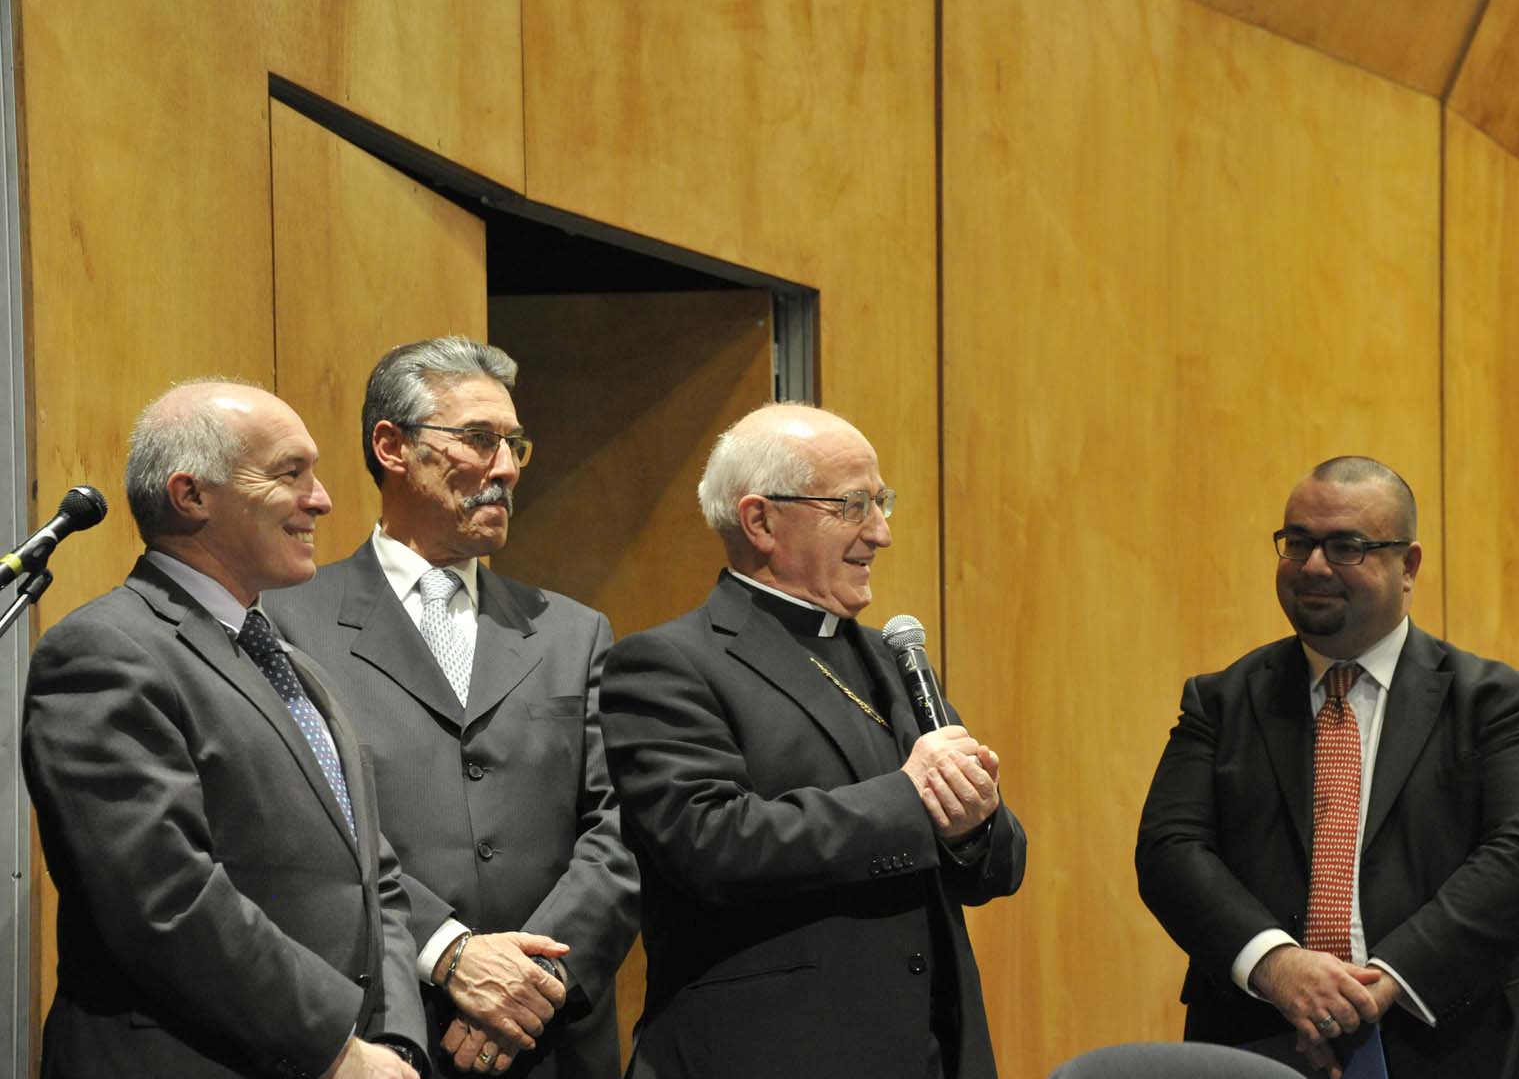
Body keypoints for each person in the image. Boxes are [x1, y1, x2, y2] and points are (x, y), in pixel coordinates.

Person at [599, 402, 1026, 1079]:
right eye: (853, 505)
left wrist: (973, 824)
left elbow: (997, 866)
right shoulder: (667, 663)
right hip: (768, 1054)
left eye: (881, 502)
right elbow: (708, 843)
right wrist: (909, 799)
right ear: (760, 521)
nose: (881, 532)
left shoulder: (893, 659)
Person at [22, 381, 427, 1078]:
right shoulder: (105, 652)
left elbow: (373, 875)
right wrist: (334, 1046)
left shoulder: (294, 663)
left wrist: (395, 1042)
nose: (322, 500)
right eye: (289, 473)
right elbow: (165, 899)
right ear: (192, 495)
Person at [265, 337, 638, 1079]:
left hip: (547, 1039)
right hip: (383, 1030)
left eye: (514, 445)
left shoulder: (573, 632)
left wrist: (536, 983)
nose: (506, 469)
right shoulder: (285, 620)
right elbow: (296, 828)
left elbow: (621, 826)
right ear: (392, 447)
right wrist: (450, 953)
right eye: (478, 439)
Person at [1136, 456, 1519, 1077]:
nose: (1314, 566)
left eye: (1346, 547)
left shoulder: (1495, 701)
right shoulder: (1221, 701)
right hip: (1262, 1041)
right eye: (1298, 543)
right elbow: (1170, 851)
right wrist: (1278, 965)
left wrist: (1381, 983)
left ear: (1408, 567)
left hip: (1468, 1044)